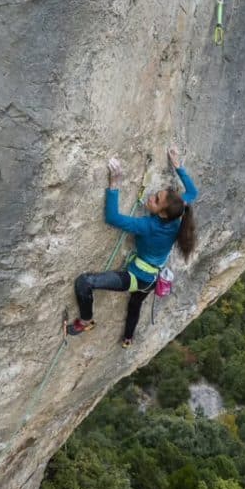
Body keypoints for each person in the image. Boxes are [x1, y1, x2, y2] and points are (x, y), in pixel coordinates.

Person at [66, 145, 197, 347]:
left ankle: (86, 321)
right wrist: (177, 164)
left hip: (136, 277)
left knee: (84, 283)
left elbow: (112, 217)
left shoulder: (147, 225)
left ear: (162, 213)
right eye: (157, 194)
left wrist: (114, 183)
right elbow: (192, 192)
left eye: (156, 199)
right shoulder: (177, 215)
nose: (151, 196)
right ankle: (128, 339)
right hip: (152, 278)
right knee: (135, 304)